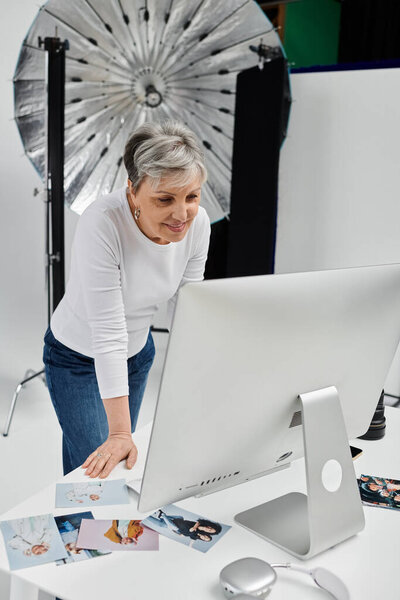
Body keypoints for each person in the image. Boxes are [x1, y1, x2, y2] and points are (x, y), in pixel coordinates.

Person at [43, 120, 210, 477]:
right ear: (132, 191)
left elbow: (190, 315)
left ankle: (81, 526)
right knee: (97, 474)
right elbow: (107, 330)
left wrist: (198, 394)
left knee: (106, 465)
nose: (182, 214)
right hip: (77, 358)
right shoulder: (101, 222)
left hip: (137, 354)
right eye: (165, 199)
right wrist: (120, 432)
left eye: (191, 197)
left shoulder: (199, 226)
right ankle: (78, 529)